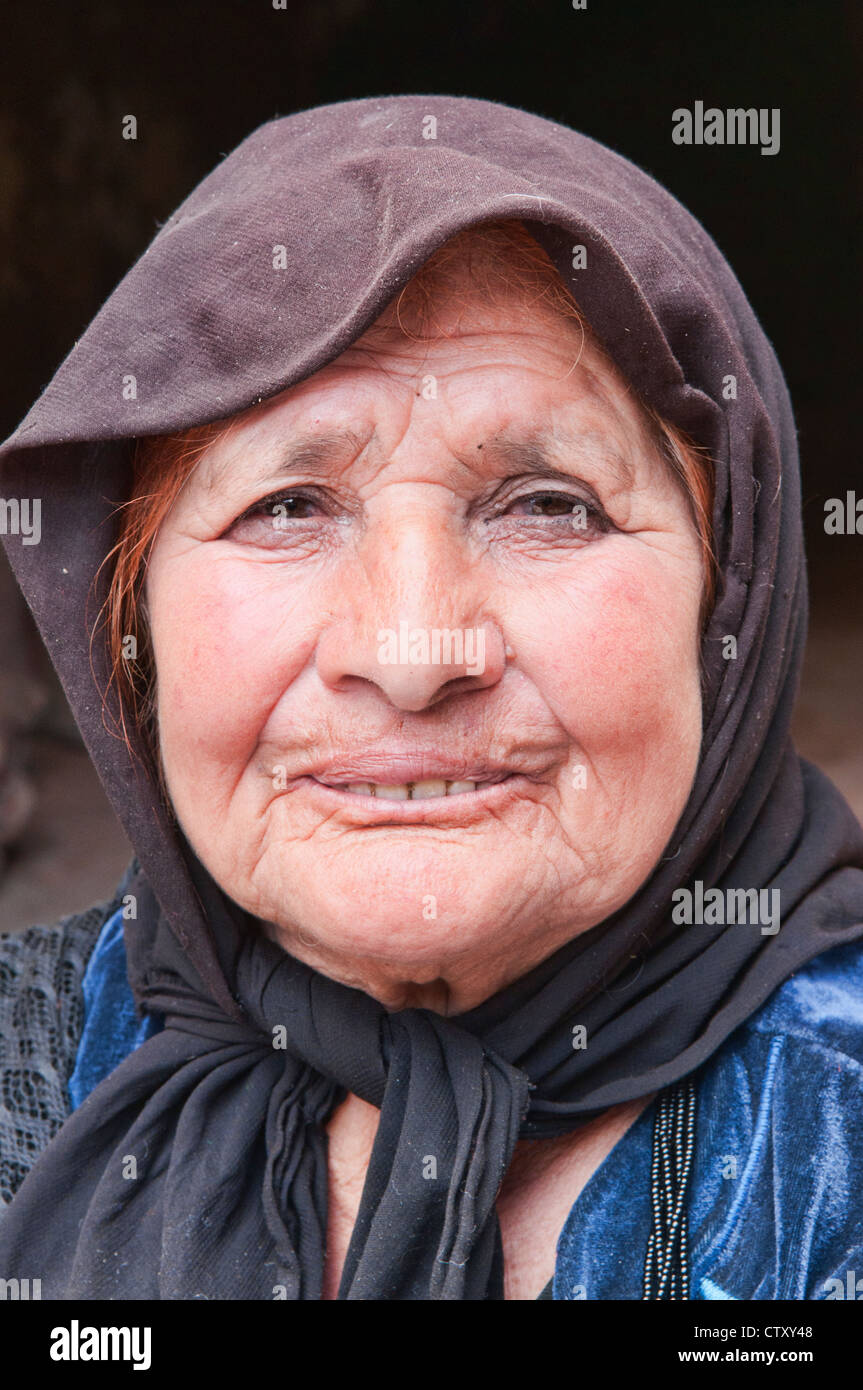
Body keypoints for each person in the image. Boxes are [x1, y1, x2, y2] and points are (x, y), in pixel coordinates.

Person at [0, 94, 862, 1302]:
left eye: (548, 503)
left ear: (730, 603)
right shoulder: (26, 1060)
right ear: (129, 628)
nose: (411, 650)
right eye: (286, 506)